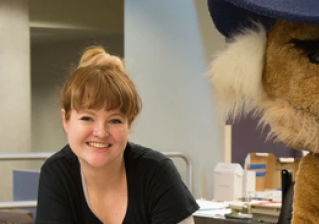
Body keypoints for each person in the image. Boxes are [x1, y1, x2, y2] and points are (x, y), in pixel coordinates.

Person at [36, 47, 199, 224]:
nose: (100, 132)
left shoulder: (157, 172)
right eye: (87, 118)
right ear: (66, 119)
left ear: (129, 124)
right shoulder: (57, 173)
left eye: (114, 120)